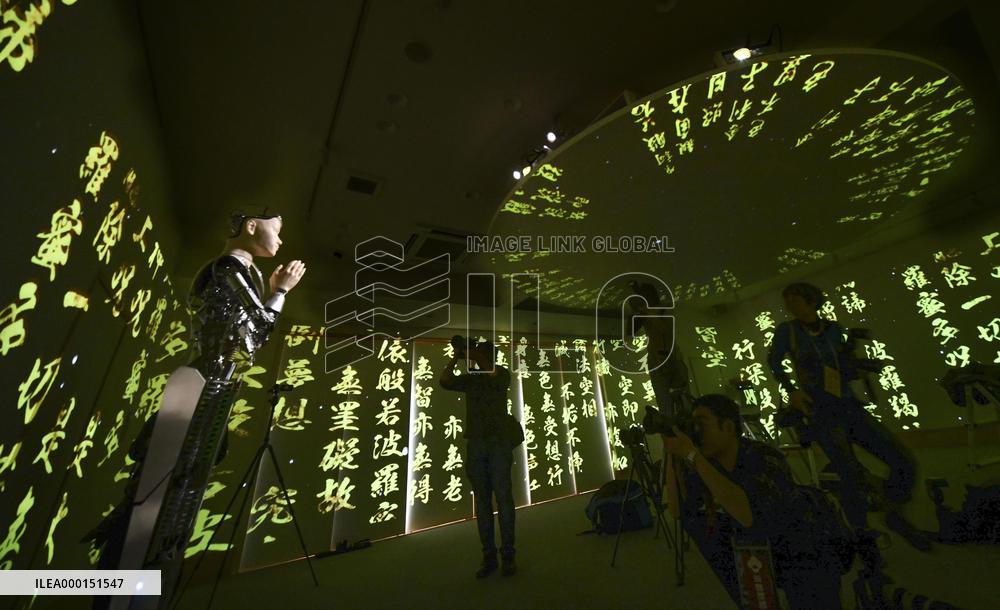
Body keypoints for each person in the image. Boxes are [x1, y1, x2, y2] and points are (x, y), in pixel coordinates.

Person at [97, 210, 305, 609]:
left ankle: (143, 591)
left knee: (180, 495)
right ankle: (124, 594)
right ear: (250, 226)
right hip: (201, 387)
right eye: (276, 229)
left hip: (213, 387)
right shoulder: (228, 267)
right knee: (162, 498)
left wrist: (273, 293)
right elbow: (257, 332)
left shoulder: (242, 271)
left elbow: (247, 341)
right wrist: (281, 292)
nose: (280, 239)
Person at [766, 282, 927, 550]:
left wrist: (863, 367)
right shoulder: (788, 331)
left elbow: (842, 364)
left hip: (848, 405)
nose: (791, 306)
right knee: (849, 474)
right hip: (819, 410)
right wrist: (792, 391)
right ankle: (862, 534)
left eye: (796, 300)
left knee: (902, 460)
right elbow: (774, 363)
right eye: (788, 302)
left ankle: (892, 508)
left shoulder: (834, 330)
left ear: (812, 301)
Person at [663, 394, 845, 610]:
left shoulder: (764, 457)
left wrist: (693, 455)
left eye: (700, 425)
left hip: (805, 549)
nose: (696, 432)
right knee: (698, 522)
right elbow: (677, 511)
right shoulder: (707, 464)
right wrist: (673, 455)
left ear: (729, 427)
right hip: (761, 550)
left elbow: (748, 516)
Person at [439, 338, 517, 578]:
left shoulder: (501, 374)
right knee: (482, 503)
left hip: (499, 444)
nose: (473, 357)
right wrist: (456, 356)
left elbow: (489, 367)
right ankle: (489, 556)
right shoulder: (470, 379)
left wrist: (473, 354)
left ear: (489, 356)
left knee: (503, 499)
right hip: (476, 444)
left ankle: (508, 556)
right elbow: (444, 381)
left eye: (479, 353)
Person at [627, 281, 691, 416]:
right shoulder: (655, 313)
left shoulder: (662, 311)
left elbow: (662, 333)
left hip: (666, 359)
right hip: (661, 360)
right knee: (672, 402)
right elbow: (631, 330)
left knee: (675, 402)